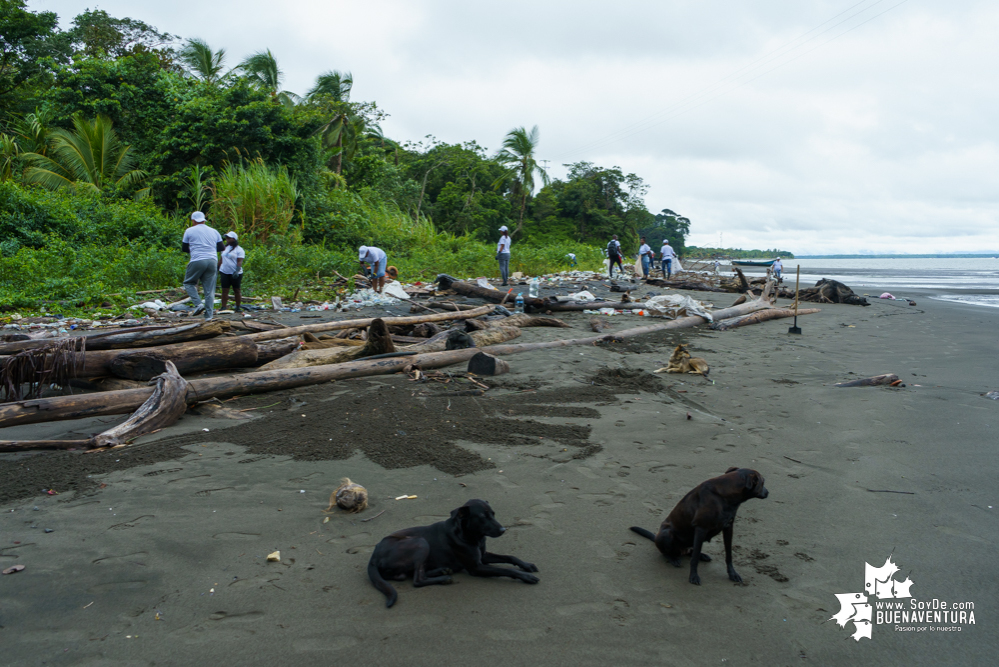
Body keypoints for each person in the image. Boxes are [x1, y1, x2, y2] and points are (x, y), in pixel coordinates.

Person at [182, 211, 224, 319]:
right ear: (204, 220)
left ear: (194, 220)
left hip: (198, 260)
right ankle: (209, 317)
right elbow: (221, 247)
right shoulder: (214, 231)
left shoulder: (189, 231)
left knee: (188, 283)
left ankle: (198, 304)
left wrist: (195, 249)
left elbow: (184, 248)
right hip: (212, 261)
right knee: (209, 289)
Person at [217, 231, 245, 312]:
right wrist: (217, 268)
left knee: (237, 289)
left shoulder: (239, 250)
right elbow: (221, 259)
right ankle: (223, 306)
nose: (227, 239)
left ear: (234, 239)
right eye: (227, 238)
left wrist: (236, 271)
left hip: (235, 272)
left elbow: (239, 262)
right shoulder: (224, 248)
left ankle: (238, 306)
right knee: (225, 290)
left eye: (229, 238)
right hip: (224, 272)